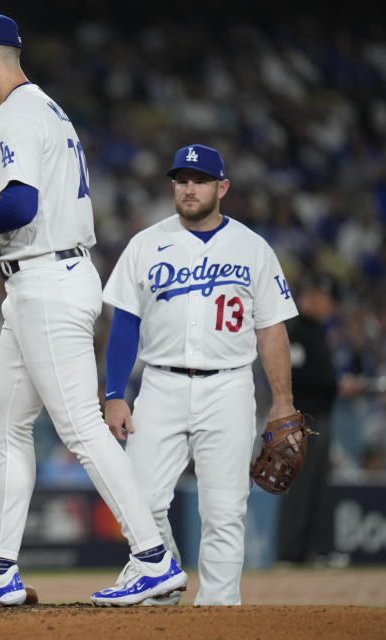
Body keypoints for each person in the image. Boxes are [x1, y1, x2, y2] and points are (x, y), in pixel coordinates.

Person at [0, 11, 186, 607]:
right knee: (7, 425)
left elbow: (18, 206)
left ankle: (151, 556)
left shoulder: (12, 116)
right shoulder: (48, 109)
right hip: (42, 274)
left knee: (80, 428)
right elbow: (30, 219)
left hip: (48, 282)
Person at [101, 144, 300, 605]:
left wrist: (283, 401)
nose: (189, 188)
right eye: (182, 180)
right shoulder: (146, 244)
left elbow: (272, 331)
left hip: (229, 385)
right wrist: (114, 392)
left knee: (225, 509)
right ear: (172, 185)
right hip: (161, 382)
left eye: (201, 180)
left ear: (221, 187)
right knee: (138, 500)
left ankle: (219, 611)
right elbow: (125, 322)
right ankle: (162, 579)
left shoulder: (253, 248)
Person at [277, 272, 355, 566]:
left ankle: (309, 552)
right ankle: (290, 553)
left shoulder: (316, 331)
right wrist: (337, 385)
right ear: (313, 298)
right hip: (302, 421)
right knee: (299, 487)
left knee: (317, 487)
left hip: (320, 417)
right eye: (326, 300)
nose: (330, 306)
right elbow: (296, 378)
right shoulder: (297, 330)